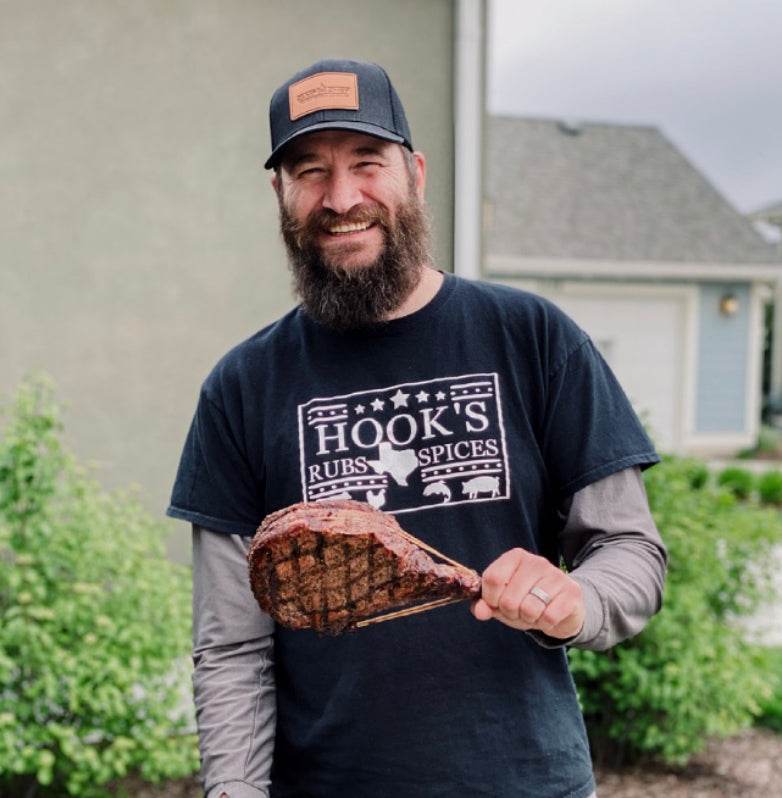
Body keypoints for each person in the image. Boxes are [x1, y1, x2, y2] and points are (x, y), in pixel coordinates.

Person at [167, 58, 667, 798]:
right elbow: (232, 645)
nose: (341, 198)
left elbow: (630, 550)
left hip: (528, 783)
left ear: (415, 172)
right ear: (280, 193)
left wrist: (577, 603)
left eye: (367, 163)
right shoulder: (242, 388)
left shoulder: (531, 337)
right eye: (309, 172)